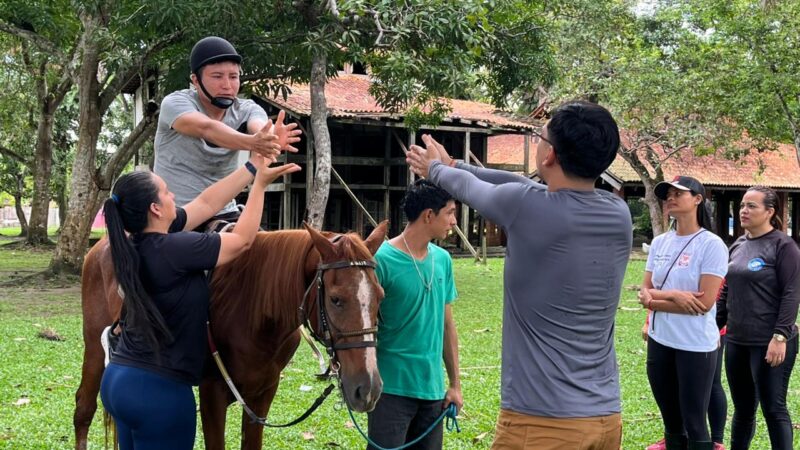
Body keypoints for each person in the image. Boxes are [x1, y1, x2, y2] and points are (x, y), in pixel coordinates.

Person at [406, 101, 631, 450]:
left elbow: (481, 191)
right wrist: (454, 165)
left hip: (542, 423)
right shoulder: (617, 212)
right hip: (604, 419)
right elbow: (518, 185)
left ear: (550, 155)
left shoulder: (526, 206)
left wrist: (434, 168)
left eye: (540, 137)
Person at [99, 152, 301, 450]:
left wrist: (252, 165)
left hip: (119, 381)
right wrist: (259, 186)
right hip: (159, 393)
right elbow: (243, 241)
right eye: (167, 192)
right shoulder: (176, 248)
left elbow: (206, 204)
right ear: (155, 209)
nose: (174, 195)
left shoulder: (136, 245)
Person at [154, 36, 301, 227]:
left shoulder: (247, 108)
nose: (227, 85)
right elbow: (207, 128)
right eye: (217, 76)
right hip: (176, 215)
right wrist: (253, 143)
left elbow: (261, 127)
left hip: (225, 212)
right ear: (195, 80)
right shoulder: (175, 104)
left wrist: (270, 137)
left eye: (234, 77)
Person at [367, 179, 462, 450]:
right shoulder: (381, 260)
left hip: (433, 390)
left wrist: (455, 385)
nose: (454, 221)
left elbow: (447, 324)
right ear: (429, 215)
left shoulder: (442, 259)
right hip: (390, 390)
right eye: (450, 212)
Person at [638, 175, 728, 450]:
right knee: (671, 422)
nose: (671, 198)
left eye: (679, 193)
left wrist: (654, 299)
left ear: (698, 199)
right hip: (660, 339)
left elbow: (703, 304)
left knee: (695, 421)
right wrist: (674, 296)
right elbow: (644, 290)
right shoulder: (661, 243)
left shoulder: (711, 245)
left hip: (694, 345)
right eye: (668, 194)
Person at [716, 186, 800, 450]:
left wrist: (780, 336)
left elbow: (792, 292)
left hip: (770, 341)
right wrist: (713, 327)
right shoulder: (739, 244)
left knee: (773, 408)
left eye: (752, 206)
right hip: (737, 340)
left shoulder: (783, 246)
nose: (743, 210)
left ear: (769, 212)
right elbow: (727, 290)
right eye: (742, 205)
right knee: (742, 409)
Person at [643, 297, 728, 450]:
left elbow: (705, 302)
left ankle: (716, 441)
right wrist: (651, 314)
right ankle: (679, 437)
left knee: (710, 386)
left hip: (706, 330)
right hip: (668, 329)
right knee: (675, 390)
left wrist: (652, 302)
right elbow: (651, 289)